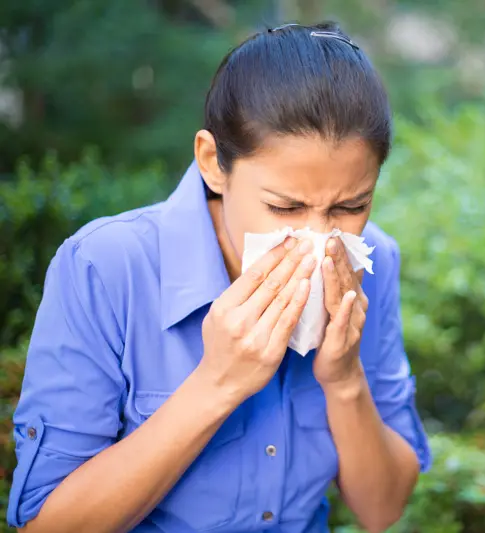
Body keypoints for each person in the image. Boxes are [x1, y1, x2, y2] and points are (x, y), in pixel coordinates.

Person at [7, 21, 431, 533]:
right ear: (213, 162)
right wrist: (218, 383)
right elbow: (46, 526)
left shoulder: (372, 262)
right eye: (284, 206)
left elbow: (381, 510)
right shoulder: (105, 267)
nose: (317, 239)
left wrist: (343, 381)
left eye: (351, 205)